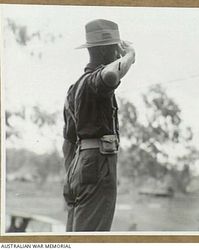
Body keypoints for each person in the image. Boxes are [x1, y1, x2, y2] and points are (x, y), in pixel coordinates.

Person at [62, 19, 135, 231]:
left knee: (75, 237)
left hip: (77, 165)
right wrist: (130, 56)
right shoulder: (95, 81)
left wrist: (70, 176)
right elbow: (111, 75)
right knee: (93, 238)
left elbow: (68, 142)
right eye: (116, 50)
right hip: (98, 162)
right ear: (108, 51)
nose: (118, 55)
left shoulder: (74, 88)